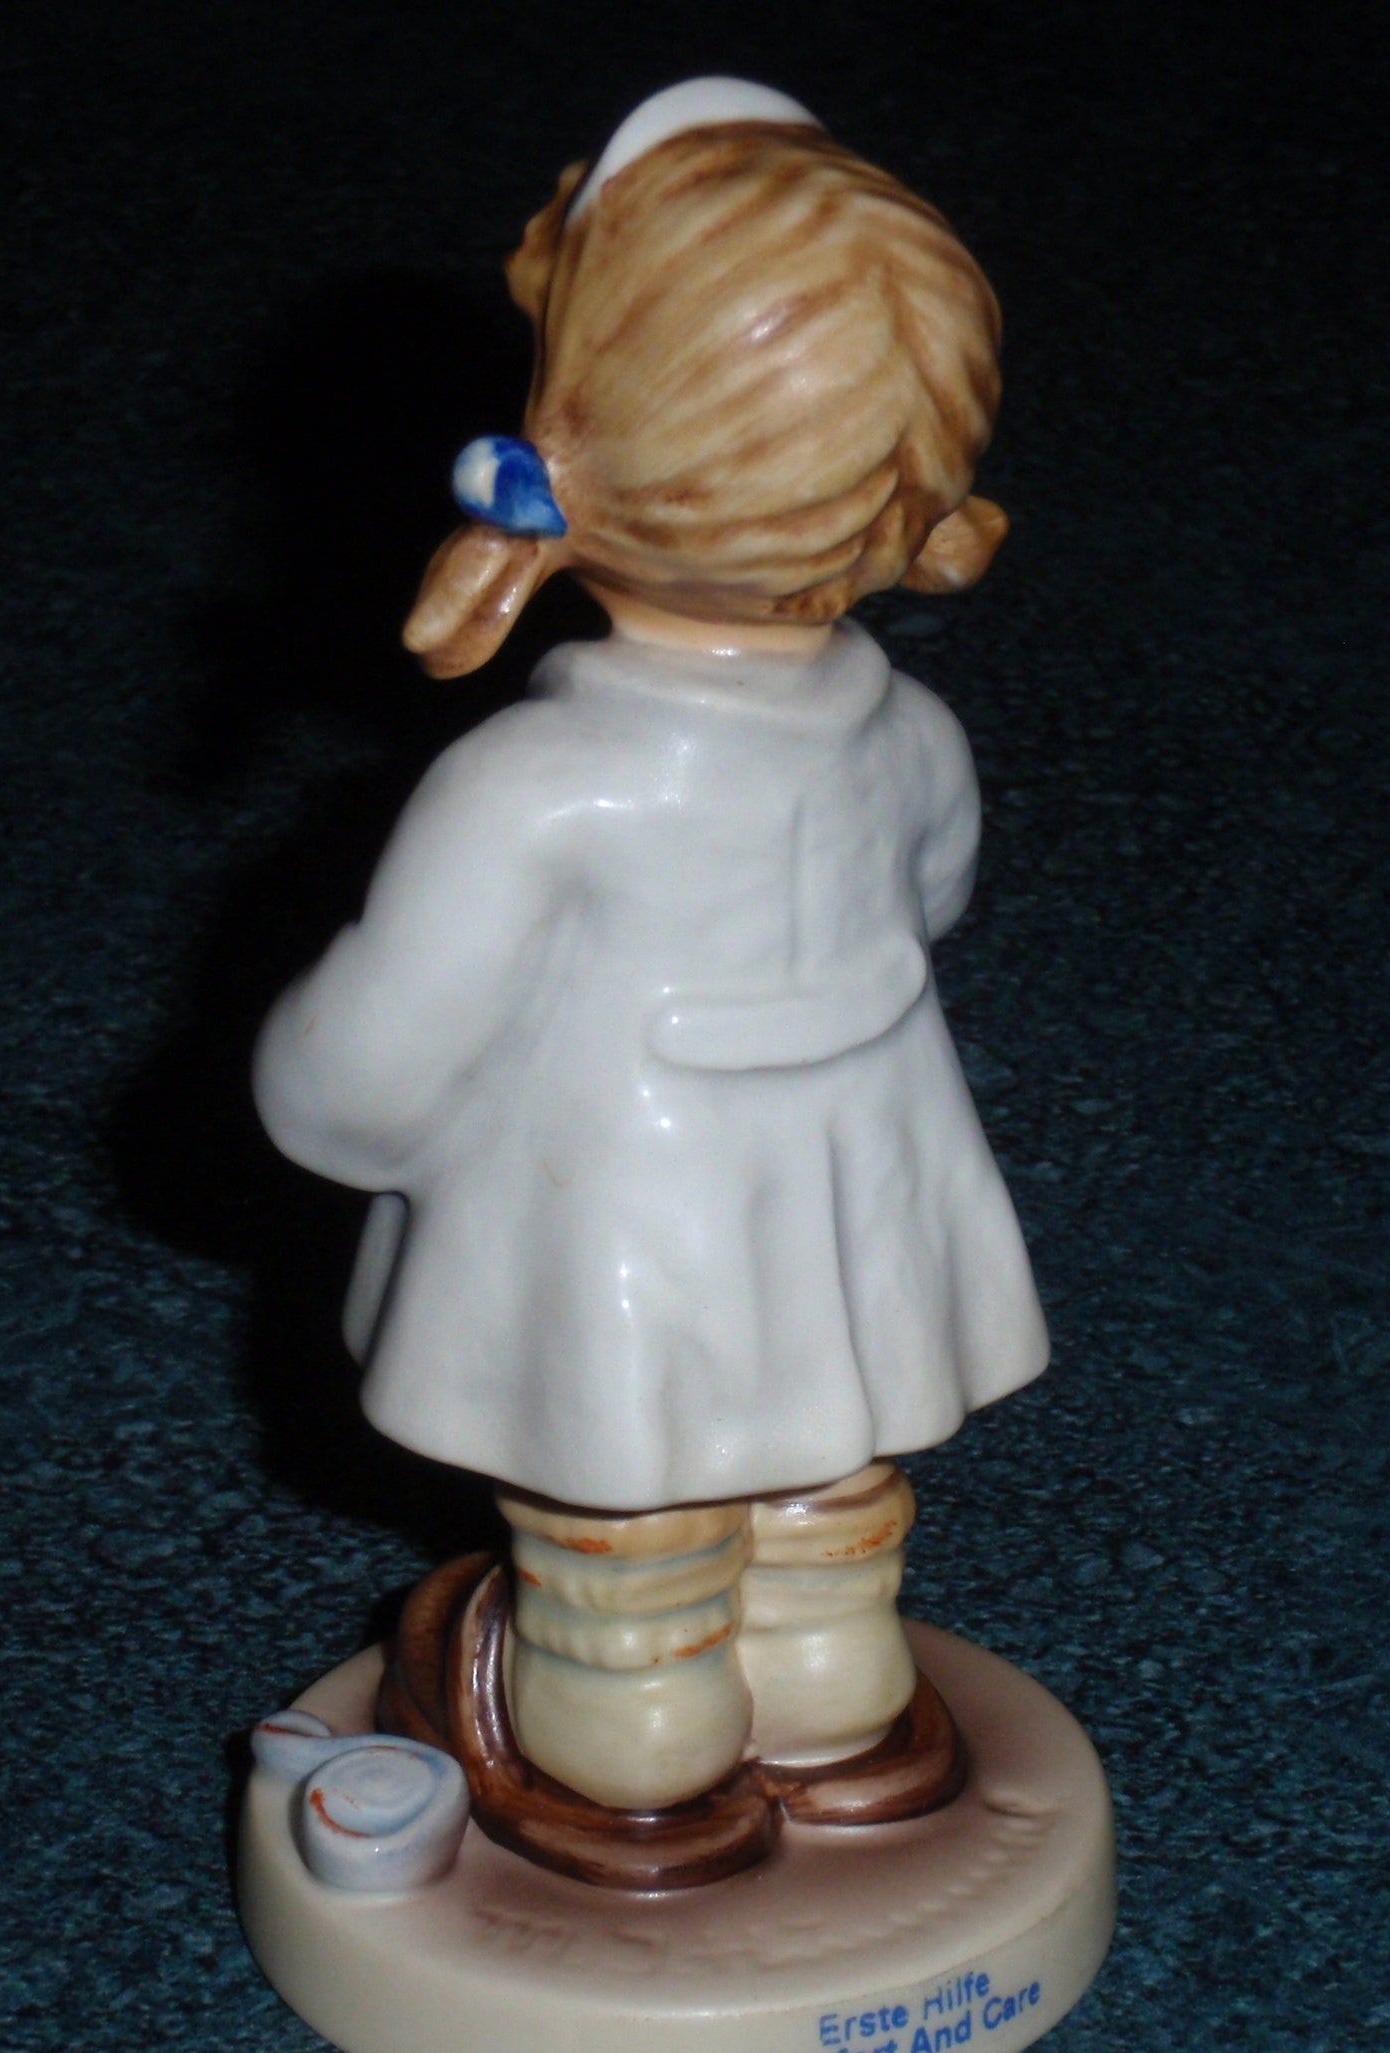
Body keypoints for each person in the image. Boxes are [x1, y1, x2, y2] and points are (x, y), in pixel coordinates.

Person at [254, 81, 1049, 1831]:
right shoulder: (911, 736)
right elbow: (932, 898)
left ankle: (633, 1717)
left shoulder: (539, 787)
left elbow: (376, 1062)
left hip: (614, 1221)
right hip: (851, 1185)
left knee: (622, 1498)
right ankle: (829, 1668)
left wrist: (308, 1090)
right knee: (827, 1461)